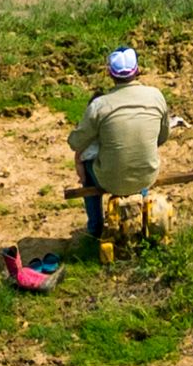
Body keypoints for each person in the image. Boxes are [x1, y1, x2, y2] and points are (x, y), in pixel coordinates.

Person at [71, 46, 173, 253]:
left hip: (110, 180)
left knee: (87, 166)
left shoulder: (99, 105)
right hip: (147, 175)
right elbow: (162, 137)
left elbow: (76, 143)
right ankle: (141, 212)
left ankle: (94, 228)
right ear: (137, 70)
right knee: (138, 155)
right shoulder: (156, 96)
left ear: (110, 73)